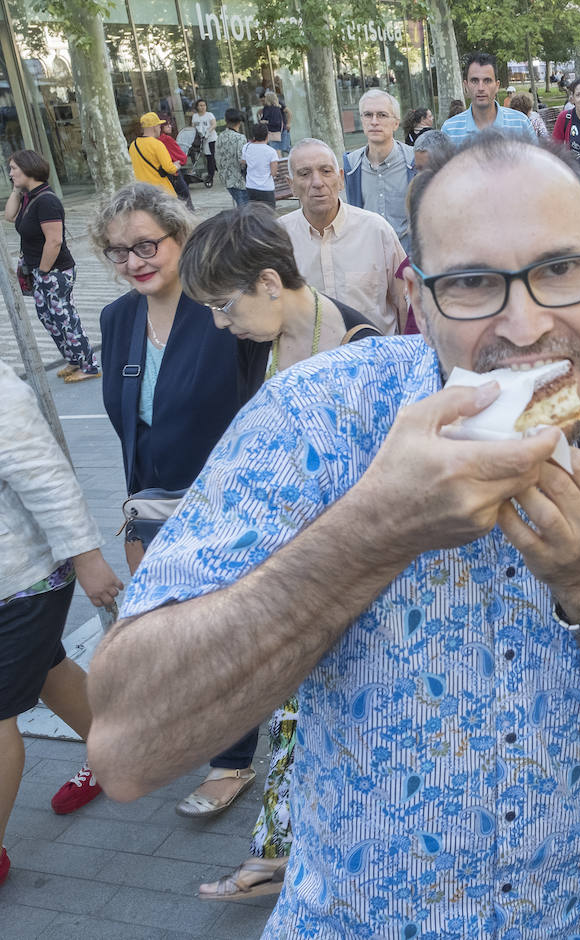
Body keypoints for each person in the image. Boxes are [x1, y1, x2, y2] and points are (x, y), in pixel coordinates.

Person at [86, 131, 580, 936]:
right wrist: (373, 530)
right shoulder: (316, 413)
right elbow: (124, 748)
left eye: (560, 269)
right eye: (471, 283)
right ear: (422, 302)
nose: (527, 326)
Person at [176, 205, 382, 901]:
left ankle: (304, 859)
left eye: (223, 304)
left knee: (318, 722)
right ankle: (278, 857)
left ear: (269, 281)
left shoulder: (359, 342)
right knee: (291, 717)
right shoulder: (252, 345)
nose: (216, 321)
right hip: (284, 571)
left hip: (350, 576)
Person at [91, 183, 262, 821]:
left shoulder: (221, 306)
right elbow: (129, 424)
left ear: (179, 235)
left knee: (222, 638)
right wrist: (134, 511)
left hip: (229, 506)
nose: (134, 261)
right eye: (117, 252)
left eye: (145, 244)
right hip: (154, 511)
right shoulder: (117, 320)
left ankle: (232, 761)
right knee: (181, 639)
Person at [0, 360, 126, 889]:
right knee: (48, 671)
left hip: (23, 580)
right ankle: (116, 757)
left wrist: (88, 556)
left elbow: (47, 478)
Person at [279, 138, 409, 335]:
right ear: (292, 185)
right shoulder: (278, 238)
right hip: (310, 363)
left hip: (374, 360)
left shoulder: (376, 230)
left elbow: (405, 301)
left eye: (326, 171)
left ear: (340, 179)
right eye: (304, 174)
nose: (317, 182)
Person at [5, 149, 98, 381]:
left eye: (14, 168)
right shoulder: (29, 196)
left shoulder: (46, 201)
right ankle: (74, 360)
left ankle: (89, 366)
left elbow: (54, 241)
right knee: (48, 318)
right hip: (40, 270)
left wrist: (44, 272)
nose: (10, 173)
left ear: (28, 169)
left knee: (65, 317)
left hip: (55, 271)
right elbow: (9, 216)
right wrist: (17, 189)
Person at [343, 89, 417, 252]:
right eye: (368, 115)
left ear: (396, 123)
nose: (374, 121)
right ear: (362, 120)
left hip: (408, 258)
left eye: (382, 115)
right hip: (368, 258)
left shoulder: (414, 161)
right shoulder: (351, 165)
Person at [441, 53, 538, 144]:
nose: (481, 88)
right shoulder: (449, 130)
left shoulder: (521, 123)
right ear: (466, 86)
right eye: (474, 81)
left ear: (497, 86)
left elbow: (536, 161)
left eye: (487, 81)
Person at [128, 112, 178, 196]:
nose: (160, 128)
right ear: (154, 127)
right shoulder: (157, 144)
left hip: (142, 192)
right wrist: (176, 165)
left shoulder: (133, 145)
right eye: (159, 126)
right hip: (161, 191)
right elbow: (169, 168)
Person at [216, 108, 248, 205]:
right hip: (239, 179)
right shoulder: (240, 138)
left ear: (226, 120)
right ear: (240, 122)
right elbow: (242, 160)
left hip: (226, 178)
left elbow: (217, 157)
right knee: (246, 209)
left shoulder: (220, 136)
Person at [241, 122, 278, 206]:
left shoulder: (246, 147)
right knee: (269, 214)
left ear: (253, 135)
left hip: (251, 187)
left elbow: (243, 161)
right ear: (267, 135)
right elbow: (273, 173)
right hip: (266, 188)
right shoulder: (271, 151)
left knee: (255, 214)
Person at [189, 99, 217, 182]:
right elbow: (193, 127)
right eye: (200, 105)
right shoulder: (195, 116)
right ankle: (210, 174)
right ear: (197, 107)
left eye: (204, 105)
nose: (202, 107)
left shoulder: (209, 115)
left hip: (211, 139)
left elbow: (214, 124)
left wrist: (208, 131)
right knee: (208, 158)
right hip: (202, 140)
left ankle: (211, 175)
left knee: (211, 157)